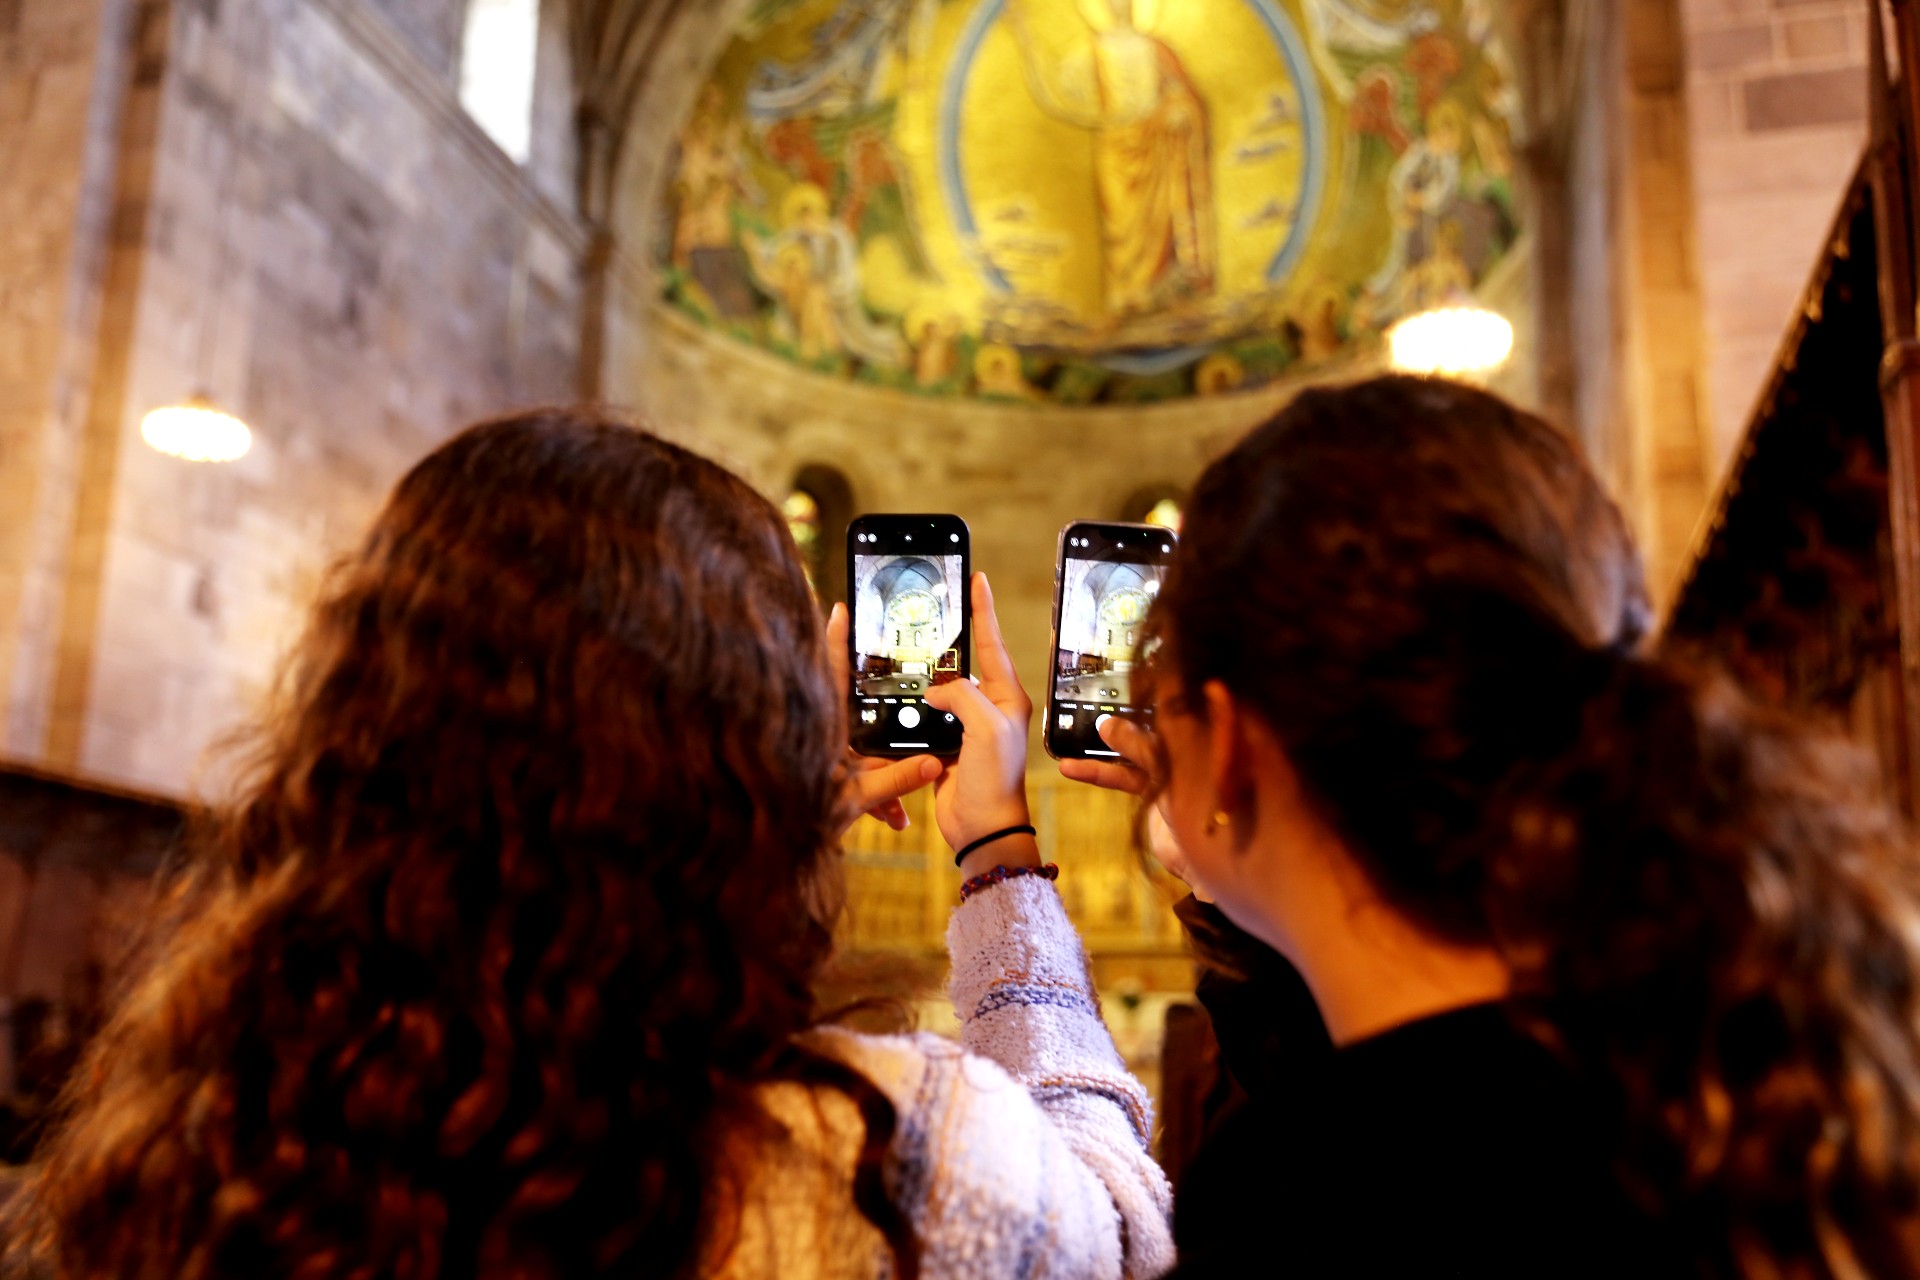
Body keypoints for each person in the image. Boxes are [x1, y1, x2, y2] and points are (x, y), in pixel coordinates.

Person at [3, 410, 1173, 1279]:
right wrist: (997, 854)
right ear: (750, 756)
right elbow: (1120, 1222)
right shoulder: (873, 1156)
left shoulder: (217, 1127)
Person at [1065, 375, 1920, 1277]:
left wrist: (1003, 862)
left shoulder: (1303, 1203)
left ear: (1232, 738)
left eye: (1165, 702)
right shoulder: (1721, 1060)